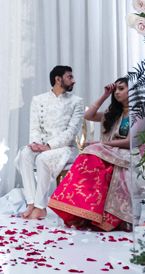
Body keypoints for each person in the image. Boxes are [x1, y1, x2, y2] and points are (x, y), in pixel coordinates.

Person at [48, 78, 132, 231]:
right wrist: (105, 95)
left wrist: (102, 144)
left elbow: (130, 142)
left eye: (121, 89)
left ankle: (95, 214)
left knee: (93, 152)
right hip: (111, 152)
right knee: (90, 155)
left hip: (129, 153)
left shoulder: (139, 113)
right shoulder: (114, 113)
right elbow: (88, 115)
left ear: (131, 91)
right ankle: (85, 211)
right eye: (116, 90)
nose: (117, 92)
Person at [16, 65, 84, 220]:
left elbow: (71, 132)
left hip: (66, 149)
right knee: (24, 153)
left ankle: (41, 206)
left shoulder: (76, 102)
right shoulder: (38, 100)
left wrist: (48, 147)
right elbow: (35, 127)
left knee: (43, 158)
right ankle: (31, 202)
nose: (73, 81)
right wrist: (35, 144)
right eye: (69, 77)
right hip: (42, 145)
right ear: (58, 79)